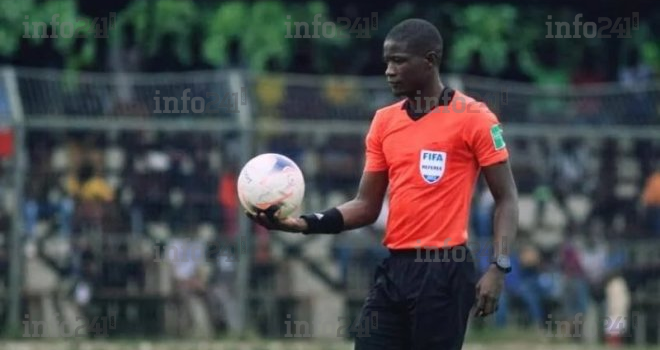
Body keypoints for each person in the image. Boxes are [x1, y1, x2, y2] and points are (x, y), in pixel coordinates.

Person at [248, 18, 519, 350]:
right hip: (395, 268)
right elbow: (365, 206)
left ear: (430, 61)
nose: (389, 70)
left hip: (444, 272)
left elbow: (506, 198)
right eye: (387, 61)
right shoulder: (384, 121)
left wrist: (499, 266)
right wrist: (303, 224)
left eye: (399, 61)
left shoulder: (474, 117)